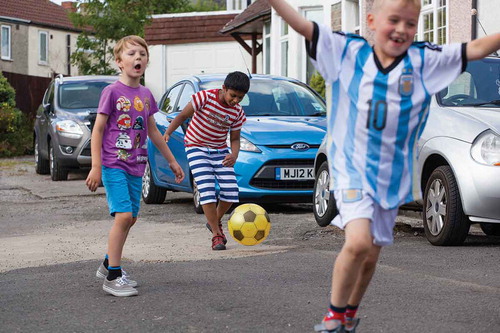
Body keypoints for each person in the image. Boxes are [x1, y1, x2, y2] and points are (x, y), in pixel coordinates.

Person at [269, 0, 500, 332]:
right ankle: (334, 315)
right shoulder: (348, 53)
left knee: (372, 253)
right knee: (359, 242)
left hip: (391, 176)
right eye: (394, 20)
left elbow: (475, 47)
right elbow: (304, 27)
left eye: (410, 23)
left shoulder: (424, 60)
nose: (402, 29)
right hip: (351, 167)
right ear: (372, 21)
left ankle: (349, 313)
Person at [86, 35, 185, 297]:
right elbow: (97, 130)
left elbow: (153, 131)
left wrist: (173, 161)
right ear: (119, 62)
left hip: (136, 166)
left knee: (132, 219)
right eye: (131, 54)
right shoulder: (111, 92)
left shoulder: (145, 94)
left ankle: (109, 263)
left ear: (147, 61)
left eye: (142, 54)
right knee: (124, 216)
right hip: (113, 163)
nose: (137, 58)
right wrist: (96, 167)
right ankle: (113, 277)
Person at [163, 71, 249, 251]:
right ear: (223, 88)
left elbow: (234, 139)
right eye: (233, 96)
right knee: (207, 190)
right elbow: (182, 116)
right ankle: (217, 235)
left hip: (220, 150)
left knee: (231, 192)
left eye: (240, 98)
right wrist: (168, 132)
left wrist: (234, 155)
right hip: (196, 146)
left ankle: (214, 221)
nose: (235, 101)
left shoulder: (237, 112)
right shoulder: (204, 97)